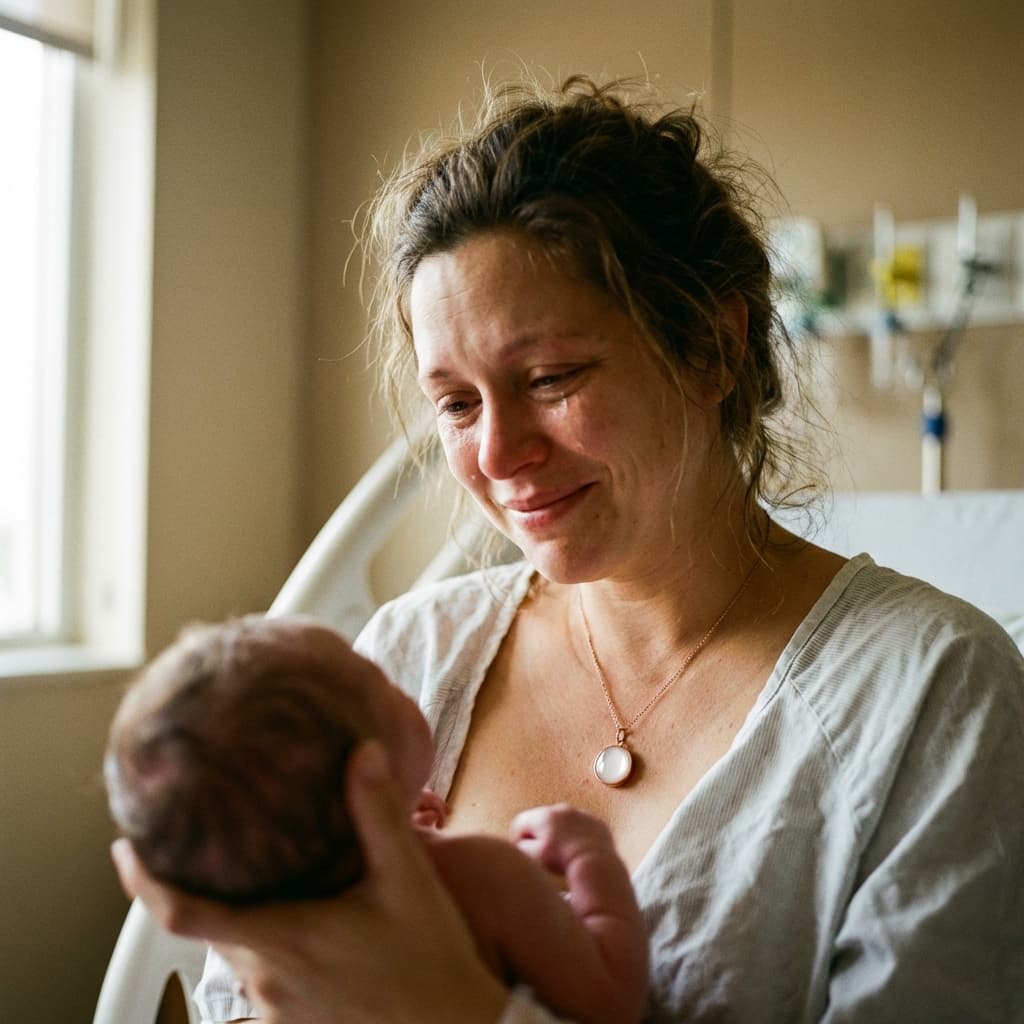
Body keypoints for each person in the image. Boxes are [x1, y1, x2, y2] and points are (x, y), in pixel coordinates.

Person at [113, 75, 1024, 1023]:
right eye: (457, 405)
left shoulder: (935, 697)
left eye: (551, 378)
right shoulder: (406, 661)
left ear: (711, 348)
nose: (498, 454)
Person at [105, 615, 649, 1023]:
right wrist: (590, 860)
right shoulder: (484, 878)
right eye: (378, 680)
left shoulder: (274, 942)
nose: (400, 680)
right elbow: (611, 998)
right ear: (373, 777)